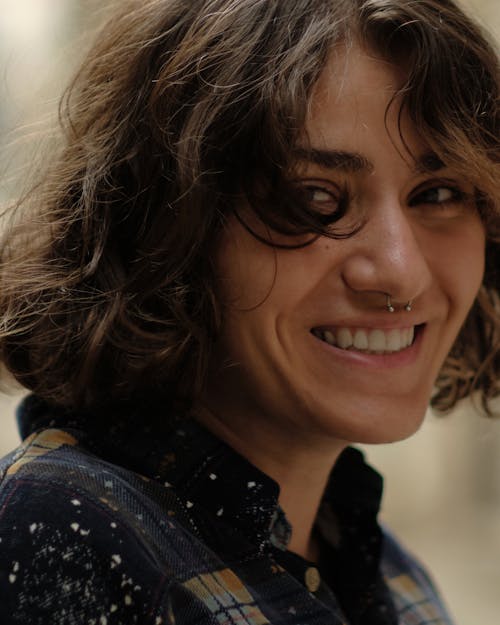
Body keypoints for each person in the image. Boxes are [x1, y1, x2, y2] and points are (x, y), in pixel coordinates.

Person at [0, 0, 498, 623]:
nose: (400, 270)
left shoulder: (387, 570)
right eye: (315, 198)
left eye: (440, 193)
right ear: (168, 229)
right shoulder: (68, 532)